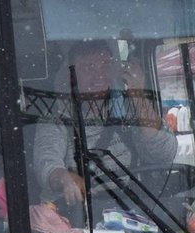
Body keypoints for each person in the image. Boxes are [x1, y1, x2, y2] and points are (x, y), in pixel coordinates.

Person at [27, 41, 179, 217]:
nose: (99, 75)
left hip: (128, 209)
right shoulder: (56, 115)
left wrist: (138, 95)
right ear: (72, 75)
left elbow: (163, 154)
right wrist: (66, 179)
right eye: (88, 67)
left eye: (105, 66)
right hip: (75, 214)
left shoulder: (130, 107)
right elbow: (46, 164)